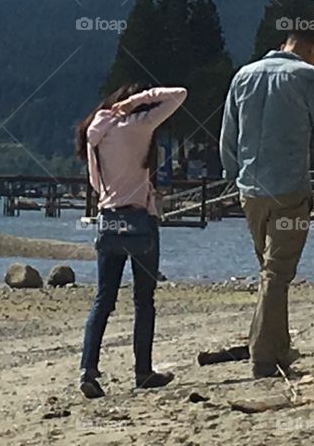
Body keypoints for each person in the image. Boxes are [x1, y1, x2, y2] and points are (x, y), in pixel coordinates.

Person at [219, 28, 314, 379]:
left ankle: (279, 348)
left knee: (270, 272)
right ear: (313, 48)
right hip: (290, 187)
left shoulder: (243, 75)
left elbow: (228, 133)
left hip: (251, 190)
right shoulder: (309, 76)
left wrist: (232, 174)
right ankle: (263, 355)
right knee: (277, 274)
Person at [76, 83, 187, 398]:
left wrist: (120, 105)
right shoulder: (140, 125)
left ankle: (88, 369)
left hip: (109, 218)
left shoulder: (95, 130)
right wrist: (137, 101)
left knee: (103, 300)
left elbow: (95, 183)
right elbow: (179, 94)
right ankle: (142, 372)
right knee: (143, 300)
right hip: (141, 219)